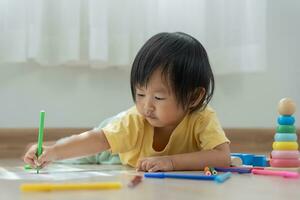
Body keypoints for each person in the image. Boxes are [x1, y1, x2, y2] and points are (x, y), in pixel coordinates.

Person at [24, 32, 231, 172]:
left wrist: (171, 162)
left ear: (194, 97)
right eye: (140, 94)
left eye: (158, 98)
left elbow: (222, 157)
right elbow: (98, 139)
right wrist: (55, 152)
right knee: (81, 156)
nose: (147, 106)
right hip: (116, 145)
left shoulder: (202, 117)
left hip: (138, 152)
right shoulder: (136, 119)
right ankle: (46, 147)